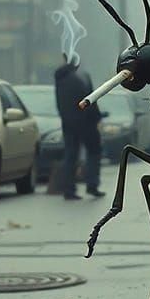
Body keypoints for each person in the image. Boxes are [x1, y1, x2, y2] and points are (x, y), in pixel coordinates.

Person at [54, 55, 105, 201]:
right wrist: (96, 117)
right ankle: (91, 185)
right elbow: (90, 100)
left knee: (71, 155)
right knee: (92, 152)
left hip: (70, 123)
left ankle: (70, 188)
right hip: (85, 122)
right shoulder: (78, 77)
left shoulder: (62, 77)